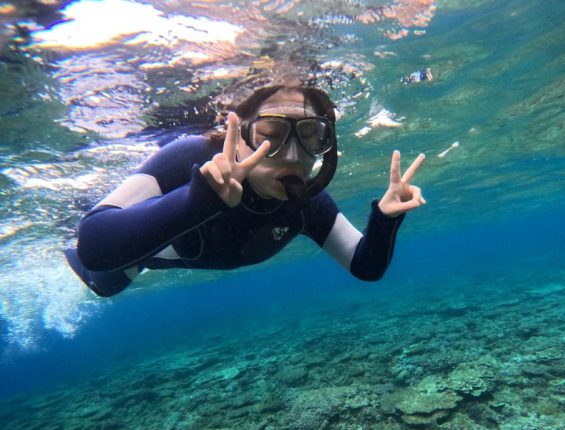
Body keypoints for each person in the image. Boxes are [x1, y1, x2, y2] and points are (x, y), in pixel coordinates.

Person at [65, 84, 426, 297]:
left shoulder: (306, 203)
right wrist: (199, 199)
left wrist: (384, 219)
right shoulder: (190, 157)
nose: (293, 156)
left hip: (167, 246)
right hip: (137, 248)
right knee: (105, 285)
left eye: (311, 137)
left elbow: (364, 265)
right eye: (270, 135)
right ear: (237, 135)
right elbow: (94, 246)